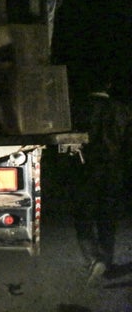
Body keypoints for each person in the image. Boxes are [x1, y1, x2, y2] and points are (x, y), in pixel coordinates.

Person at [68, 73, 132, 287]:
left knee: (83, 218)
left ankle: (93, 258)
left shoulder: (76, 108)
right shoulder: (122, 110)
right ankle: (105, 260)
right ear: (109, 84)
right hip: (113, 170)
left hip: (84, 170)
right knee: (107, 218)